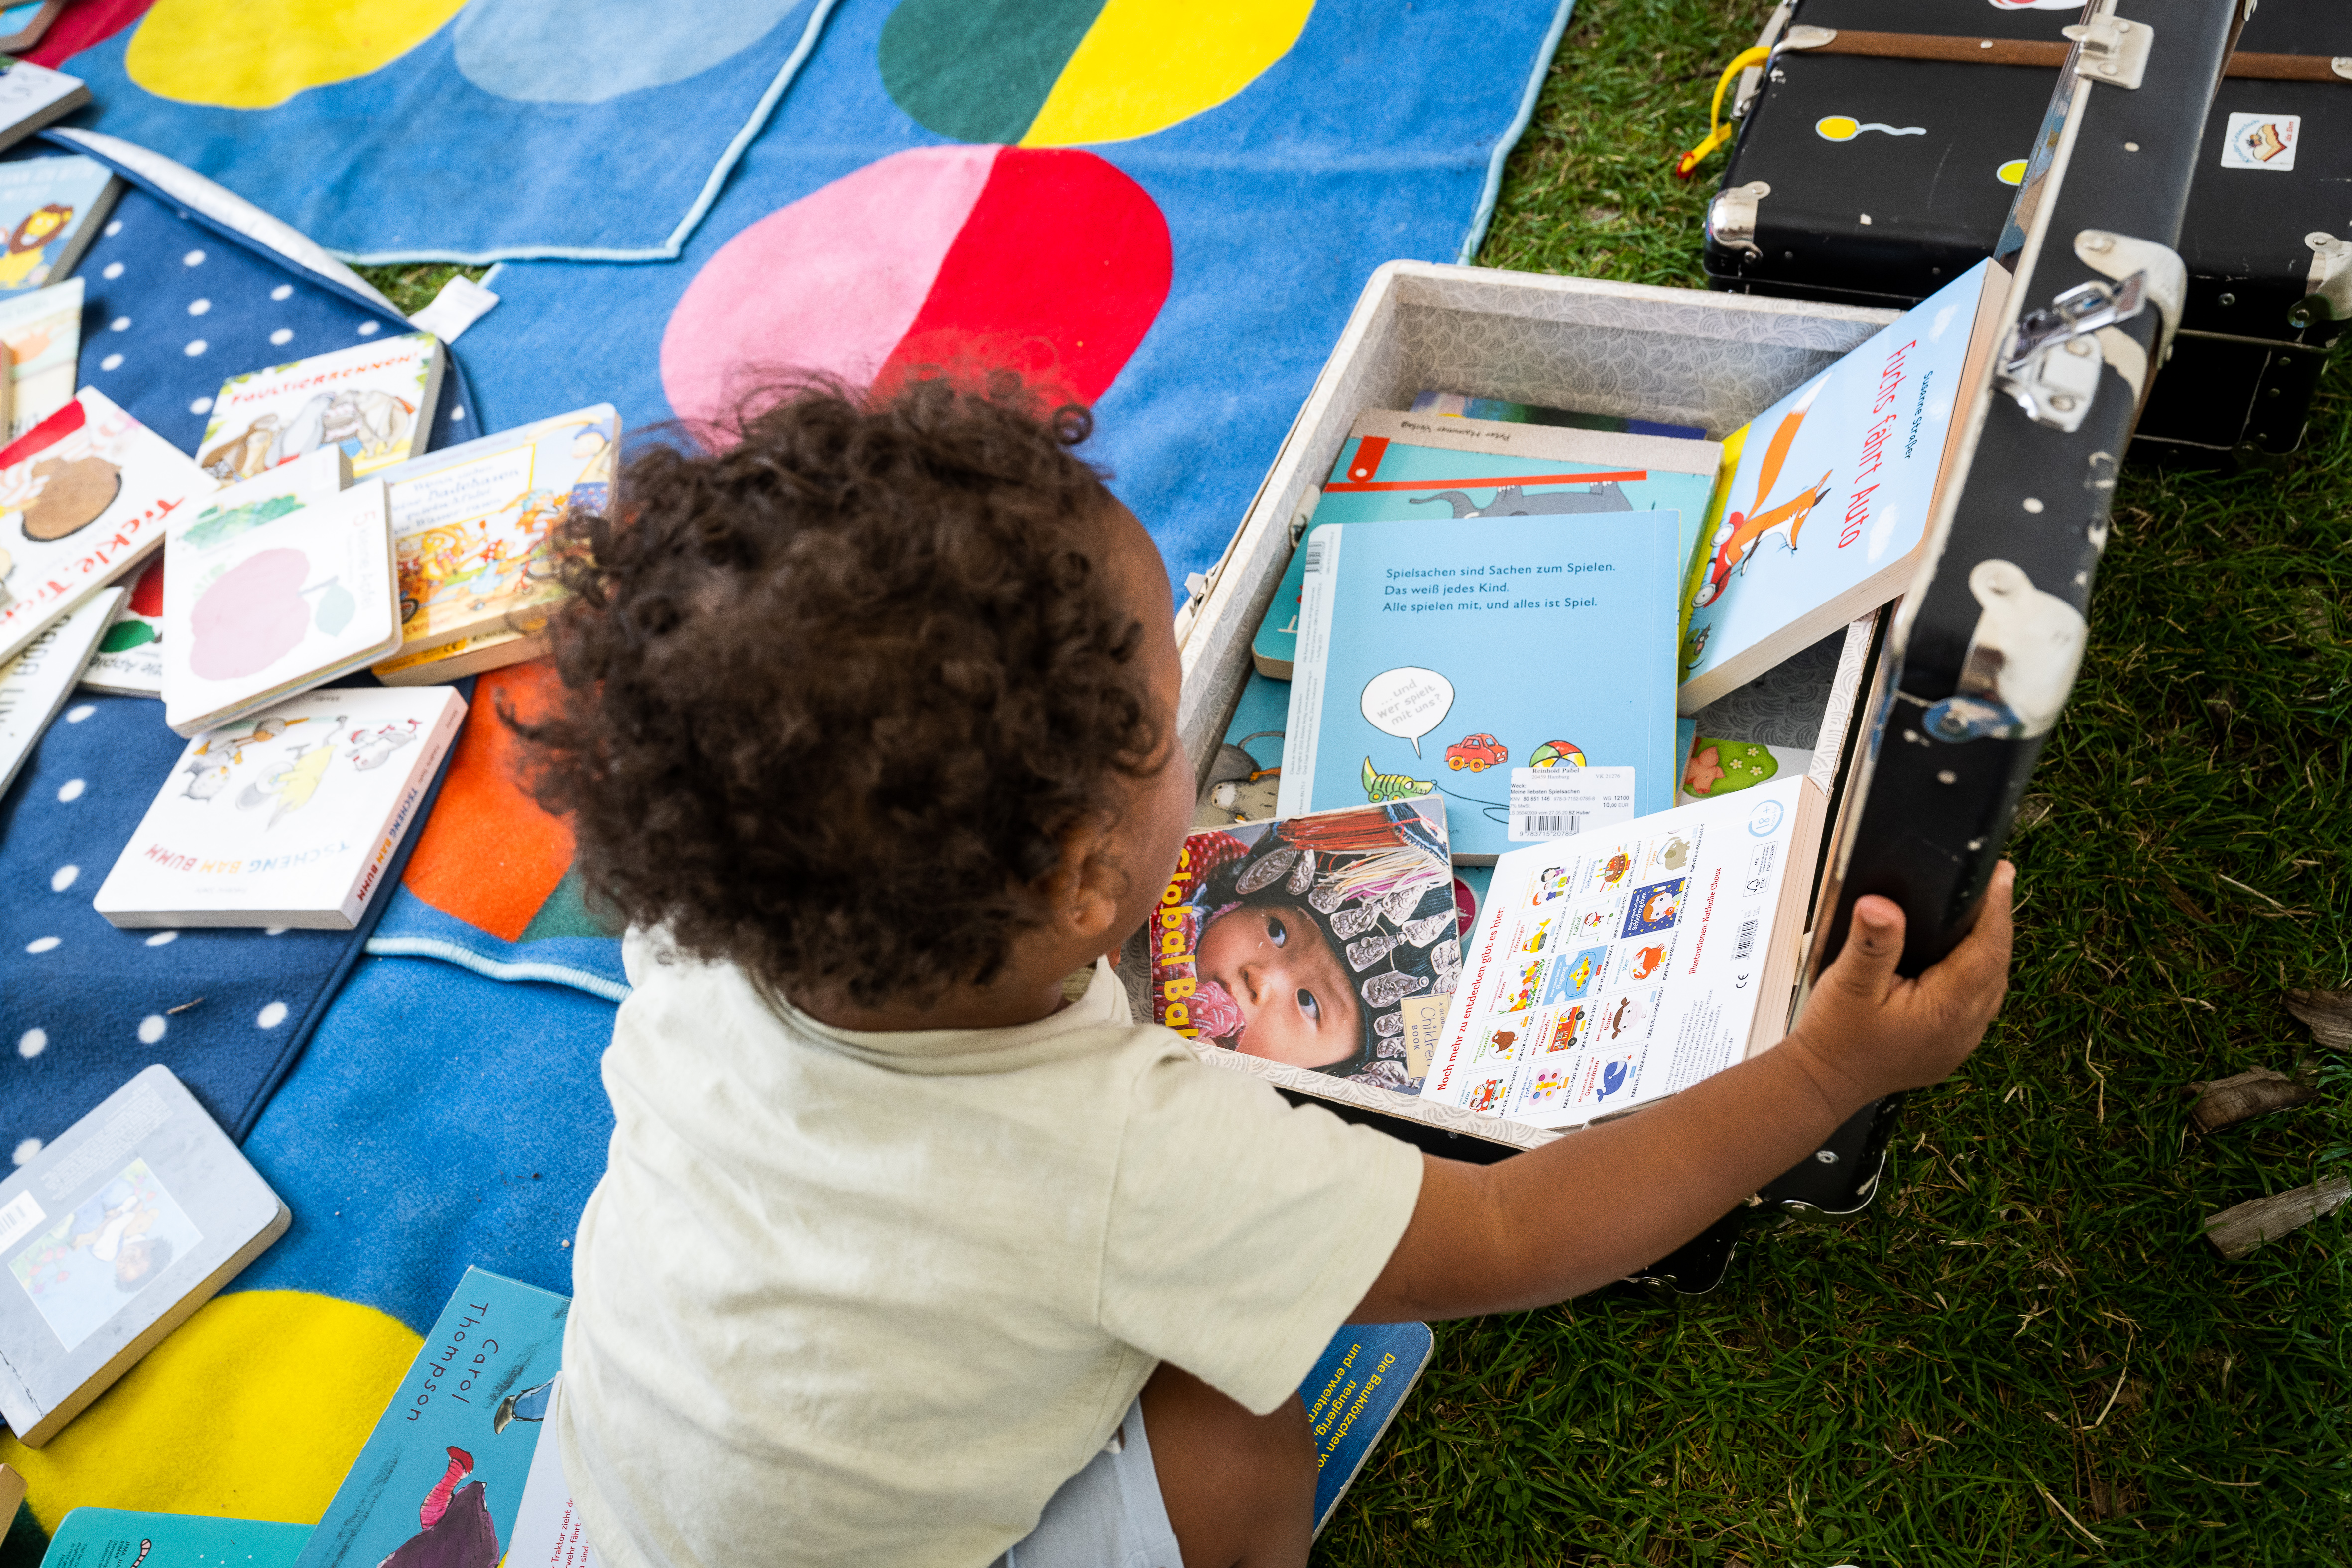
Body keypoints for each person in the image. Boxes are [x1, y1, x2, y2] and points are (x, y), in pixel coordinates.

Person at [517, 374, 2014, 1568]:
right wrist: (1829, 1070)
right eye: (1171, 708)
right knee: (1237, 1411)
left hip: (619, 1519)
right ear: (1086, 880)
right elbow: (1507, 1231)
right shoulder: (1129, 1163)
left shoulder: (705, 927)